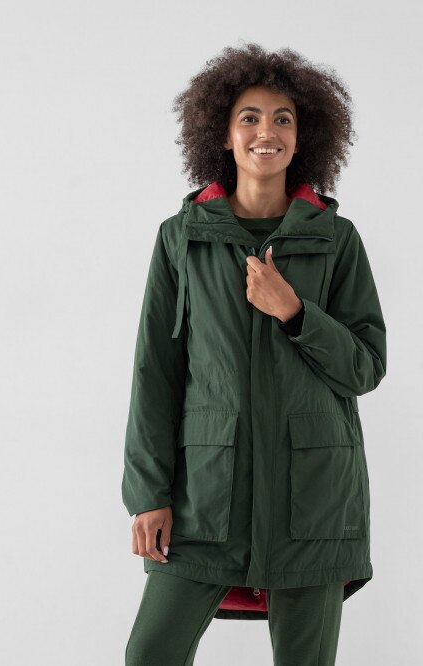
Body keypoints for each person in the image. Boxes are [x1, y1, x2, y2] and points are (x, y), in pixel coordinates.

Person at [122, 42, 387, 666]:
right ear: (223, 133)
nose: (266, 132)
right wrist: (147, 493)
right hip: (204, 498)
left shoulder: (336, 239)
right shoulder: (182, 239)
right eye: (250, 117)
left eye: (282, 119)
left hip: (314, 501)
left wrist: (295, 312)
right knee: (150, 653)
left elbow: (365, 366)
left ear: (302, 136)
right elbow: (155, 372)